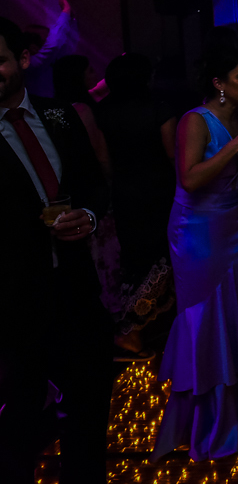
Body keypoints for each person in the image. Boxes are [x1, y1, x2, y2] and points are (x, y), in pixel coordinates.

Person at [153, 45, 238, 461]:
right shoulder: (196, 121)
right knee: (207, 321)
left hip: (236, 229)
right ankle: (208, 426)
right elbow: (189, 179)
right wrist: (234, 148)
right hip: (199, 234)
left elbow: (235, 178)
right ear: (219, 83)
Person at [0, 16, 112, 484]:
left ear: (22, 60)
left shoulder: (61, 115)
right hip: (13, 306)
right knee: (18, 431)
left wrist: (87, 214)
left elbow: (93, 182)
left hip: (76, 294)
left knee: (88, 417)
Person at [94, 53, 179, 357]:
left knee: (135, 263)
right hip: (160, 193)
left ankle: (134, 332)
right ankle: (142, 331)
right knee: (165, 260)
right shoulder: (159, 108)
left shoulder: (103, 111)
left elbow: (104, 161)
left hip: (126, 195)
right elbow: (173, 156)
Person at [25, 0, 78, 97]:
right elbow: (53, 45)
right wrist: (66, 11)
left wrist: (71, 17)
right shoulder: (27, 64)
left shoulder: (50, 60)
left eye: (42, 40)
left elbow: (67, 45)